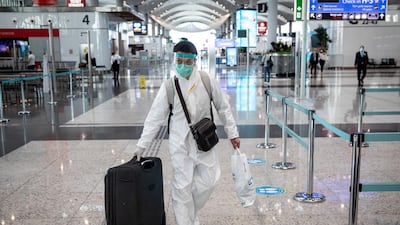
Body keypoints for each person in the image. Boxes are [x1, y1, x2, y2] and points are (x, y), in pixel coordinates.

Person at [134, 40, 240, 225]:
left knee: (210, 181)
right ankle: (185, 221)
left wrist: (233, 133)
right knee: (181, 188)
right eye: (179, 60)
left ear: (194, 61)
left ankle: (189, 212)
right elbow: (155, 117)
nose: (182, 65)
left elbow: (223, 108)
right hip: (180, 144)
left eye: (187, 61)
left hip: (205, 141)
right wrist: (142, 145)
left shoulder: (206, 81)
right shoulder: (169, 86)